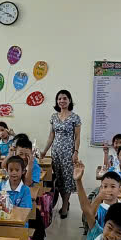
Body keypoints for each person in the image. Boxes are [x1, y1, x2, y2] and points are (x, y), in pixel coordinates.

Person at [45, 89, 82, 219]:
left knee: (67, 180)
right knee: (58, 179)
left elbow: (77, 137)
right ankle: (65, 201)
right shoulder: (54, 117)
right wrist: (44, 151)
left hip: (68, 153)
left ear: (69, 100)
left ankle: (65, 205)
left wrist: (75, 152)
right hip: (55, 152)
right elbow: (51, 136)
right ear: (57, 101)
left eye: (65, 98)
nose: (62, 101)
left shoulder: (75, 117)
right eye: (59, 98)